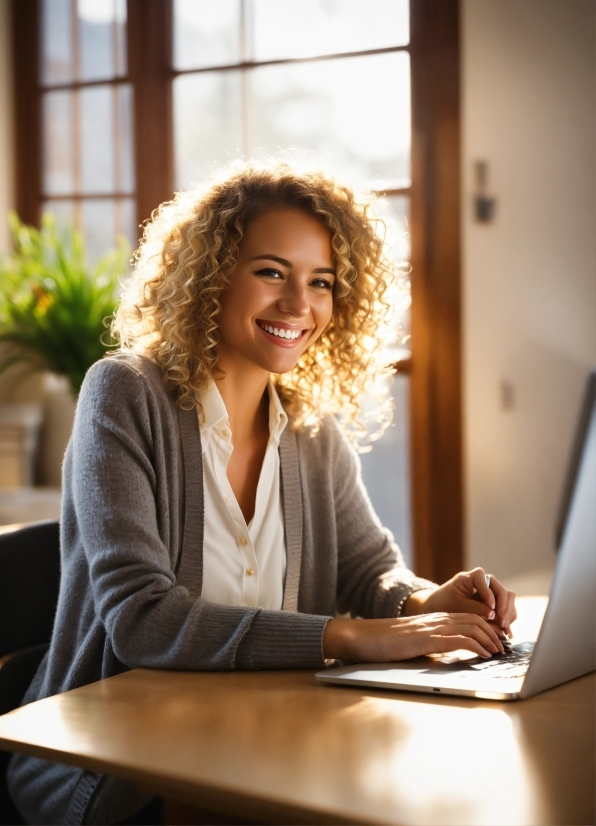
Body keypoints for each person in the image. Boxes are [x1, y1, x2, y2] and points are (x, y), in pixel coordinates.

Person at [8, 161, 516, 825]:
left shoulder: (309, 423)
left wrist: (424, 600)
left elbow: (368, 568)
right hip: (120, 772)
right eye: (271, 272)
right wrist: (354, 638)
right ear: (210, 273)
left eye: (321, 282)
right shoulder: (126, 393)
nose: (298, 304)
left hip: (270, 738)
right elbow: (143, 619)